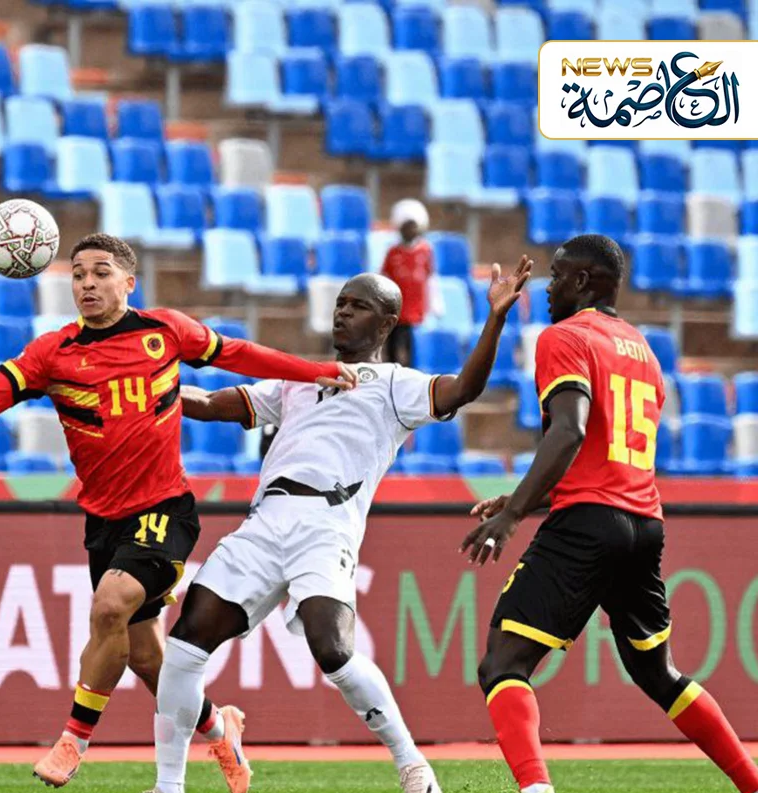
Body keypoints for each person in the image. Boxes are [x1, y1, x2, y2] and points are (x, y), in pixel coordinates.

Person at [0, 233, 356, 791]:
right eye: (79, 274)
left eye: (101, 273)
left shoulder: (164, 331)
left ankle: (73, 740)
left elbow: (238, 354)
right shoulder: (52, 353)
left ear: (129, 282)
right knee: (148, 659)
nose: (87, 284)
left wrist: (313, 370)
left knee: (110, 606)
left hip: (166, 510)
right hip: (105, 521)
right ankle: (219, 727)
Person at [151, 259, 531, 793]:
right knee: (186, 642)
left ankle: (412, 765)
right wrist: (153, 388)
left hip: (326, 524)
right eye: (341, 303)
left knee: (332, 648)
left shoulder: (396, 384)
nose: (343, 313)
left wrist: (495, 318)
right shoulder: (299, 377)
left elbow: (464, 389)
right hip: (265, 520)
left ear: (387, 323)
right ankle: (169, 785)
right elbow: (214, 403)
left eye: (358, 306)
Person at [462, 235, 758, 793]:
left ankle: (536, 789)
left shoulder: (564, 337)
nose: (548, 287)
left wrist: (514, 514)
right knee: (659, 672)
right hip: (643, 524)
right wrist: (521, 496)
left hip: (588, 524)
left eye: (557, 275)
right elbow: (604, 457)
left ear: (582, 281)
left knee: (502, 664)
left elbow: (570, 431)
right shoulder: (643, 351)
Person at [380, 199, 434, 368]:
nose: (410, 231)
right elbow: (384, 276)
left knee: (411, 344)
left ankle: (410, 370)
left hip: (415, 308)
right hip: (396, 307)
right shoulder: (393, 252)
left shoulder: (425, 251)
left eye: (413, 226)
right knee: (393, 342)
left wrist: (434, 304)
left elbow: (430, 278)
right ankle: (391, 369)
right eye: (406, 226)